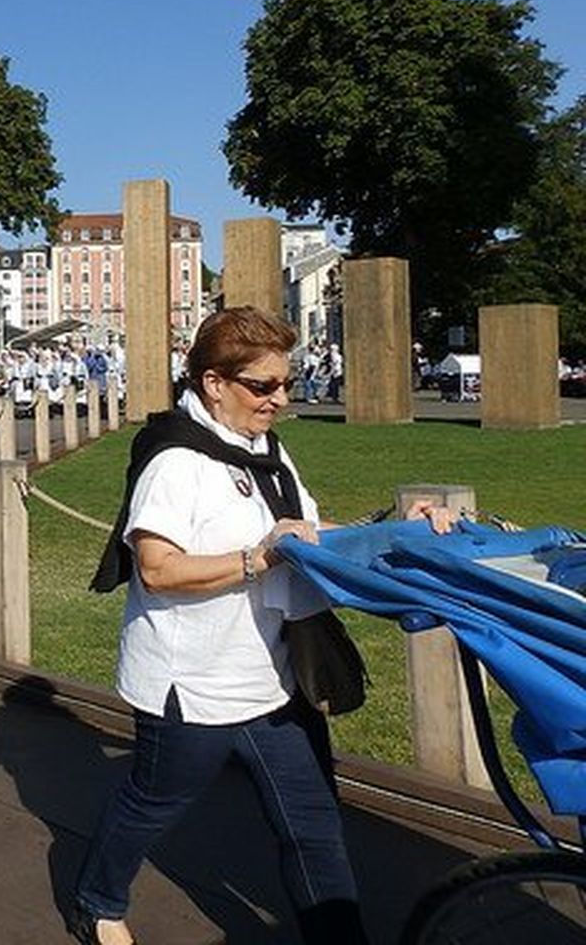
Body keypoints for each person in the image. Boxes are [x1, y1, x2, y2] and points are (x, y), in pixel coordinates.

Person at [70, 307, 454, 945]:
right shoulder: (175, 461)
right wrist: (259, 557)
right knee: (152, 803)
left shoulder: (265, 450)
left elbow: (305, 535)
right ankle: (96, 899)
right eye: (263, 386)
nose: (280, 398)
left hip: (275, 680)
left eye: (286, 382)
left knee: (312, 826)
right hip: (189, 685)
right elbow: (159, 570)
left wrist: (401, 527)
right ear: (213, 384)